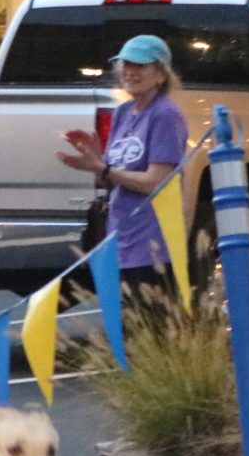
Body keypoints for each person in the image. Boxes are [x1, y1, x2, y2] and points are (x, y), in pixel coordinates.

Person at [56, 34, 189, 300]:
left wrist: (104, 169)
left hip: (153, 243)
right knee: (128, 330)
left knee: (151, 329)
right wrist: (96, 162)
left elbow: (156, 182)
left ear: (161, 74)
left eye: (140, 65)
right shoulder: (123, 112)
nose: (130, 71)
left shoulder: (164, 114)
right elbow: (111, 182)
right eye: (125, 64)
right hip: (122, 240)